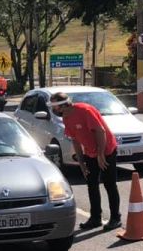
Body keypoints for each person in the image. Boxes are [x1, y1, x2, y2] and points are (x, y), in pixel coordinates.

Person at [49, 91, 122, 231]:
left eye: (54, 107)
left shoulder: (84, 110)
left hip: (106, 150)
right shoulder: (66, 117)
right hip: (90, 152)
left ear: (63, 105)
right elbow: (75, 141)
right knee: (91, 183)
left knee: (109, 183)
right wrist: (81, 163)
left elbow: (101, 131)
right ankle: (95, 218)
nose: (53, 110)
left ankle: (115, 218)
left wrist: (101, 154)